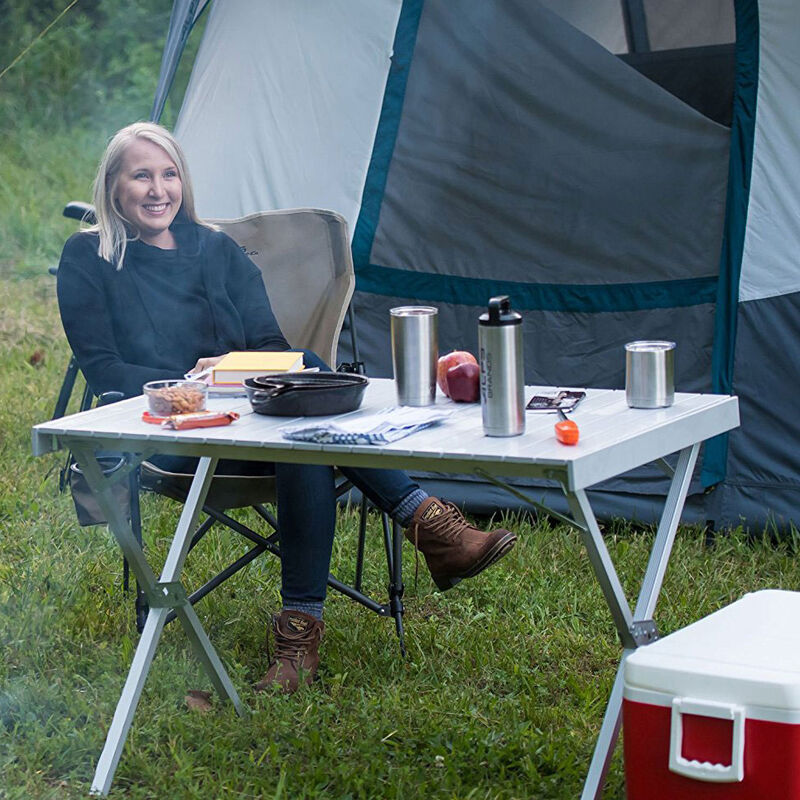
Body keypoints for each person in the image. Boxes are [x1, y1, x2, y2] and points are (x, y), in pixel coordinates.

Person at [57, 122, 517, 693]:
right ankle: (433, 529)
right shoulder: (90, 257)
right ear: (113, 186)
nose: (158, 190)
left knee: (302, 394)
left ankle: (300, 640)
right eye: (141, 176)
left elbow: (271, 350)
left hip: (254, 419)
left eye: (169, 174)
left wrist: (237, 375)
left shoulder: (218, 250)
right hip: (173, 435)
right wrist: (188, 387)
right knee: (306, 433)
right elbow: (104, 370)